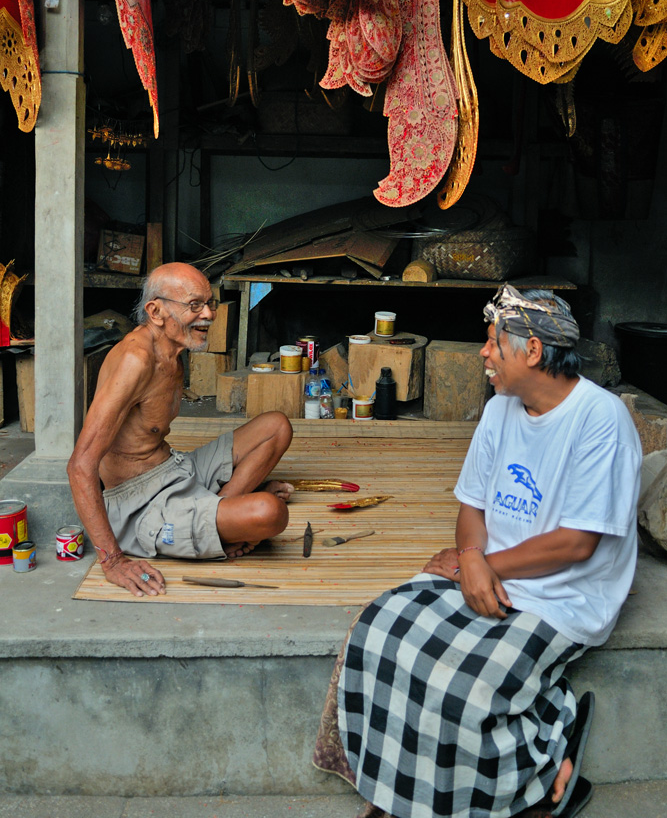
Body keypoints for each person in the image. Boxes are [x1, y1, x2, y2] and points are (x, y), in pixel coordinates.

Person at [314, 284, 642, 818]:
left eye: (492, 342)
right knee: (379, 631)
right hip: (488, 570)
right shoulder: (501, 409)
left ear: (532, 350)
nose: (484, 353)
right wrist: (470, 554)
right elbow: (472, 505)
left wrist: (479, 563)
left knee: (460, 690)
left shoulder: (600, 420)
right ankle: (404, 793)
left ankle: (545, 764)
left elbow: (577, 544)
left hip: (563, 595)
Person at [67, 262, 294, 598]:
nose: (209, 314)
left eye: (210, 303)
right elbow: (80, 465)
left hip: (174, 469)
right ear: (156, 311)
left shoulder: (172, 348)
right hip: (139, 503)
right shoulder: (135, 360)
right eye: (194, 305)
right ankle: (224, 519)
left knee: (277, 426)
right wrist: (113, 560)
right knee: (270, 512)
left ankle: (218, 511)